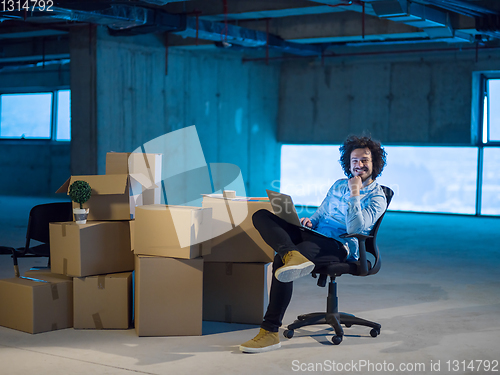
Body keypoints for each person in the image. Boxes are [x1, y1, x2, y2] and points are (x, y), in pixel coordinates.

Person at [239, 135, 388, 353]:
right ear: (348, 163)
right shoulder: (338, 185)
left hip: (340, 245)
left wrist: (355, 193)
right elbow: (321, 214)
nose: (359, 165)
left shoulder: (378, 197)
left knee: (281, 261)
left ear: (374, 163)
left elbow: (355, 228)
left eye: (365, 160)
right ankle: (293, 253)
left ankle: (269, 331)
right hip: (314, 235)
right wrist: (310, 221)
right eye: (354, 160)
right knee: (262, 215)